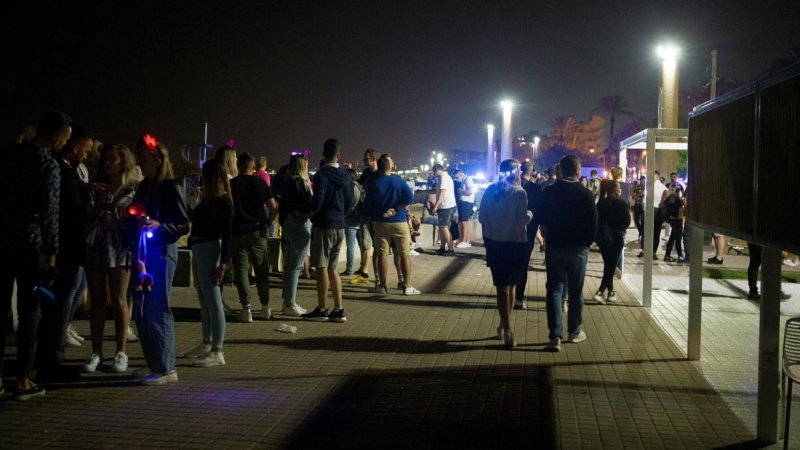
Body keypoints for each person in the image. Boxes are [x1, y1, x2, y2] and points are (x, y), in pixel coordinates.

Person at [0, 111, 69, 399]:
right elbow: (49, 213)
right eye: (64, 139)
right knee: (30, 310)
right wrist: (52, 255)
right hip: (29, 247)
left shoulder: (8, 156)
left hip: (2, 241)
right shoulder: (47, 165)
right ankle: (23, 380)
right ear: (55, 138)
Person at [130, 135, 190, 385]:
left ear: (158, 159)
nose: (141, 164)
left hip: (161, 252)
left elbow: (184, 224)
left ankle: (166, 368)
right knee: (141, 309)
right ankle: (153, 361)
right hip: (142, 251)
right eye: (140, 159)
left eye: (145, 159)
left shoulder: (170, 186)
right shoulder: (144, 187)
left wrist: (160, 226)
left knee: (157, 307)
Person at [38, 127, 93, 377]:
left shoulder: (63, 170)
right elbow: (69, 210)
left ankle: (50, 353)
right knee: (61, 300)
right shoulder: (59, 169)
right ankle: (51, 356)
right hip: (66, 246)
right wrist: (95, 212)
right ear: (75, 147)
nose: (86, 156)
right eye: (85, 151)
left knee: (63, 297)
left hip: (62, 245)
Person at [82, 144, 140, 374]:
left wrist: (121, 223)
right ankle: (96, 351)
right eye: (105, 159)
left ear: (123, 162)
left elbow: (138, 218)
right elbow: (85, 214)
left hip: (120, 248)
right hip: (97, 245)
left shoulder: (132, 188)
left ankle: (121, 351)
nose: (108, 163)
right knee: (96, 300)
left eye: (113, 159)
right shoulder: (97, 185)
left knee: (119, 299)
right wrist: (96, 205)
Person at [538, 155, 596, 352]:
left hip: (555, 244)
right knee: (576, 290)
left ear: (560, 170)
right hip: (578, 247)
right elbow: (593, 224)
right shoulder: (586, 194)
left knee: (554, 289)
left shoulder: (550, 191)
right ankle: (574, 330)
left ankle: (555, 336)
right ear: (578, 170)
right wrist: (586, 242)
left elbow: (541, 216)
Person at [184, 159, 233, 367]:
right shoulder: (207, 199)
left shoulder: (224, 201)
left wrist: (223, 263)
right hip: (200, 248)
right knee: (204, 301)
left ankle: (217, 350)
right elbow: (197, 222)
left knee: (213, 302)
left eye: (205, 174)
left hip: (211, 250)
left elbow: (228, 235)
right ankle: (207, 342)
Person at [302, 139, 356, 322]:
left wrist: (310, 213)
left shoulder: (321, 175)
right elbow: (350, 200)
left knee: (322, 267)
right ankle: (339, 308)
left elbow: (317, 200)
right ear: (338, 155)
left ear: (324, 154)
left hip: (324, 225)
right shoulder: (346, 175)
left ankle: (322, 308)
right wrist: (341, 214)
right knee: (333, 268)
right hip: (340, 225)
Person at [480, 159, 532, 349]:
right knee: (511, 286)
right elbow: (521, 221)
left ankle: (505, 326)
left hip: (495, 243)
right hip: (516, 243)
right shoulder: (520, 193)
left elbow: (481, 218)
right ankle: (506, 327)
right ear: (517, 172)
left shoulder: (489, 191)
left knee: (501, 287)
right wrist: (530, 215)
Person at [229, 151, 277, 323]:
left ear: (238, 166)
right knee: (261, 270)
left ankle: (246, 308)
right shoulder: (261, 184)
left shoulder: (231, 184)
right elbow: (273, 208)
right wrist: (266, 223)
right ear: (253, 167)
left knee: (241, 270)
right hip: (257, 231)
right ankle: (265, 307)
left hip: (237, 232)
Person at [363, 154, 420, 295]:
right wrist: (397, 208)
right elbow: (410, 198)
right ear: (389, 167)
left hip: (380, 222)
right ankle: (407, 286)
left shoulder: (374, 183)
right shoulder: (398, 181)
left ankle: (382, 286)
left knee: (382, 254)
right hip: (399, 222)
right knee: (404, 254)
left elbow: (367, 204)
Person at [279, 152, 314, 316]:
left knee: (290, 264)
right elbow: (308, 205)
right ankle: (289, 303)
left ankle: (287, 301)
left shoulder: (287, 182)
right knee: (295, 266)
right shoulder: (300, 183)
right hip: (300, 222)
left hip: (288, 222)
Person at [592, 180, 631, 304]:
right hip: (617, 237)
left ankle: (611, 291)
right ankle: (600, 291)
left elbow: (597, 220)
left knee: (608, 264)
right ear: (615, 189)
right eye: (618, 187)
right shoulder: (621, 203)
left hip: (603, 237)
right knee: (611, 266)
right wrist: (621, 229)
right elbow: (627, 221)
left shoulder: (600, 204)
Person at [350, 148, 380, 285]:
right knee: (365, 244)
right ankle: (364, 273)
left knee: (379, 246)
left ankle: (379, 276)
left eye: (366, 158)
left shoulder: (381, 173)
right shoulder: (367, 173)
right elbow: (359, 186)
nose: (363, 161)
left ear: (373, 159)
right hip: (366, 212)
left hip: (378, 215)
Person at [514, 161, 542, 310]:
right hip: (528, 232)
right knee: (523, 265)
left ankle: (507, 295)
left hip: (509, 231)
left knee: (510, 264)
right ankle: (519, 297)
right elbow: (539, 212)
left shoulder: (511, 187)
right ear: (531, 172)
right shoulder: (536, 189)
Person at [431, 164, 457, 255]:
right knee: (442, 227)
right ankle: (442, 248)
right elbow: (438, 191)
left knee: (444, 227)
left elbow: (442, 193)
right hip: (448, 206)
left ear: (436, 170)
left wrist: (435, 206)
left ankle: (450, 249)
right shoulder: (444, 178)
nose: (433, 174)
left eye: (433, 172)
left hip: (446, 206)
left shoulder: (444, 178)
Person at [342, 168, 361, 276]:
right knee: (361, 245)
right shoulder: (359, 186)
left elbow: (348, 204)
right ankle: (363, 266)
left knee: (350, 246)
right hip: (359, 218)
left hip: (350, 219)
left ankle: (349, 269)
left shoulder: (350, 187)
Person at [661, 186, 685, 263]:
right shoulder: (672, 197)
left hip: (677, 219)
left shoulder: (674, 197)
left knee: (673, 237)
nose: (679, 192)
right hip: (676, 220)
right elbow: (672, 209)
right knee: (677, 237)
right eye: (678, 191)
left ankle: (668, 255)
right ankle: (679, 255)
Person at [454, 169, 475, 248]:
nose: (457, 178)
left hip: (466, 202)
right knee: (464, 221)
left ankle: (464, 241)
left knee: (463, 221)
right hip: (464, 202)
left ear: (460, 174)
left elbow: (469, 192)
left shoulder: (468, 180)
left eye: (457, 177)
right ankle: (466, 240)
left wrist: (461, 191)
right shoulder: (464, 180)